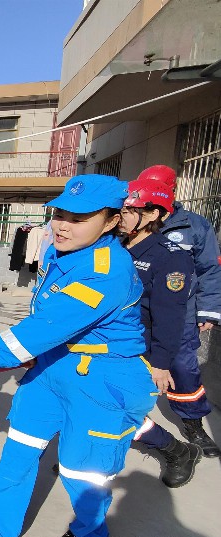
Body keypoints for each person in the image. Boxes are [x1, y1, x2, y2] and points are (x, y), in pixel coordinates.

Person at [0, 175, 157, 537]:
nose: (61, 224)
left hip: (102, 377)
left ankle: (89, 533)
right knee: (18, 450)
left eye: (79, 217)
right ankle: (0, 526)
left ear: (110, 222)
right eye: (60, 213)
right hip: (52, 366)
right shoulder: (62, 251)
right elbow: (44, 324)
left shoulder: (107, 270)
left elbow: (43, 328)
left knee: (82, 467)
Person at [119, 179, 201, 487]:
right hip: (101, 341)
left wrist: (162, 363)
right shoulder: (113, 246)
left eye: (129, 210)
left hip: (137, 348)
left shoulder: (170, 257)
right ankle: (83, 452)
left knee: (120, 410)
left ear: (152, 214)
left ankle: (175, 450)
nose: (121, 216)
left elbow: (169, 316)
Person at [139, 164, 221, 457]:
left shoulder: (195, 226)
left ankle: (193, 423)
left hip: (180, 313)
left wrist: (209, 310)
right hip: (136, 311)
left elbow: (210, 268)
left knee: (184, 368)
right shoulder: (134, 219)